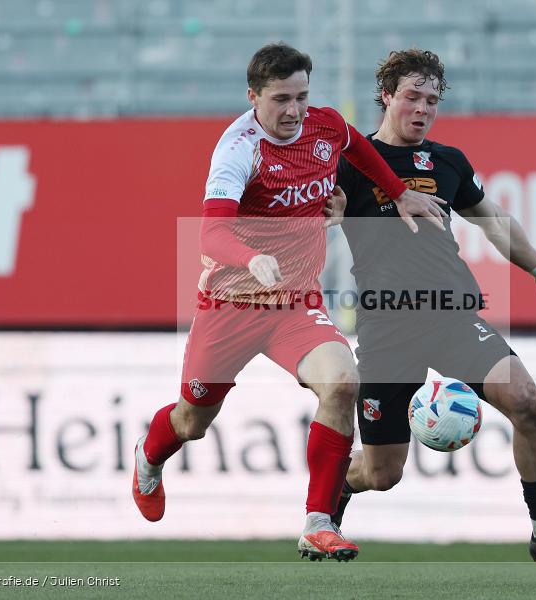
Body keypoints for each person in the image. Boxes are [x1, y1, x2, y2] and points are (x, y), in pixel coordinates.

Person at [131, 42, 448, 563]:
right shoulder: (238, 149)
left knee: (342, 381)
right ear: (253, 96)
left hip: (296, 301)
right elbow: (211, 233)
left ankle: (318, 523)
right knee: (192, 421)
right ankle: (148, 457)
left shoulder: (325, 125)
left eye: (301, 96)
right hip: (231, 304)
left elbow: (357, 147)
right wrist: (250, 256)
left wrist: (397, 192)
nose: (295, 110)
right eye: (281, 99)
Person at [333, 48, 536, 572]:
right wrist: (327, 217)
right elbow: (315, 217)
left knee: (527, 403)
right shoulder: (353, 161)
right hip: (386, 328)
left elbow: (492, 220)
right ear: (386, 96)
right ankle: (336, 484)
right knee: (382, 474)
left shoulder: (448, 162)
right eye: (412, 96)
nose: (422, 108)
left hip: (451, 316)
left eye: (432, 100)